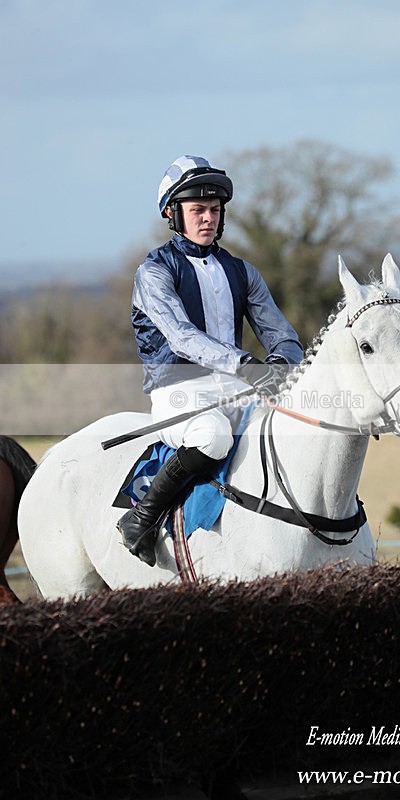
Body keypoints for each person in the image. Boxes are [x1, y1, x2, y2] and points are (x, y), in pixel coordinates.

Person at [118, 155, 303, 566]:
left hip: (237, 387)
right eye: (197, 210)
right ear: (172, 213)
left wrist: (282, 365)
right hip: (178, 391)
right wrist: (247, 365)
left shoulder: (241, 271)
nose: (208, 219)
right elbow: (183, 338)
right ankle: (141, 518)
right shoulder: (153, 273)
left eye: (214, 211)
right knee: (212, 437)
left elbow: (283, 335)